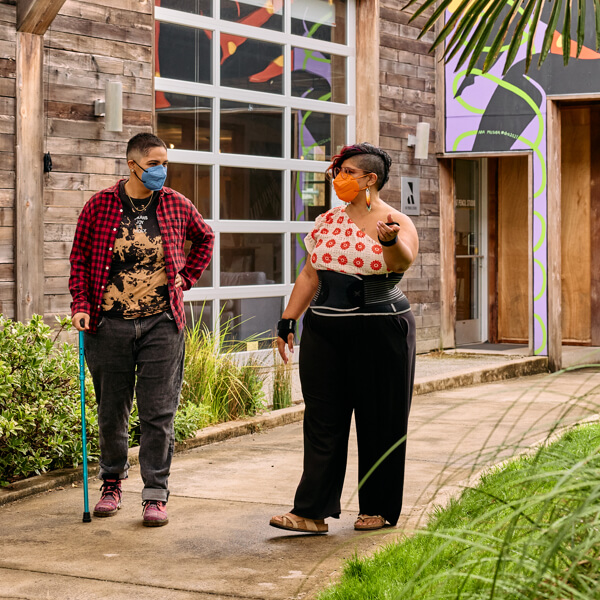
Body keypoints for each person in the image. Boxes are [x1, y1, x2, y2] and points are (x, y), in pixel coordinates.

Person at [269, 143, 419, 534]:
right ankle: (311, 512)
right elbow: (309, 274)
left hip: (381, 330)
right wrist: (288, 321)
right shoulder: (326, 221)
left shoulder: (396, 221)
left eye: (348, 171)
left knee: (381, 421)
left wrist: (389, 242)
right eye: (338, 170)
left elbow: (403, 262)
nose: (339, 177)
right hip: (324, 331)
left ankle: (379, 508)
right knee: (322, 420)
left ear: (370, 178)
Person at [69, 133, 214, 527]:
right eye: (153, 163)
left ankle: (155, 495)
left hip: (161, 325)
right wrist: (81, 307)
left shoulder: (176, 204)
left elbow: (205, 238)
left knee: (158, 413)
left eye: (164, 162)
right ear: (132, 164)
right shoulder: (99, 206)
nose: (161, 170)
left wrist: (186, 277)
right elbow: (79, 260)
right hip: (108, 325)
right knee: (111, 411)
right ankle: (112, 482)